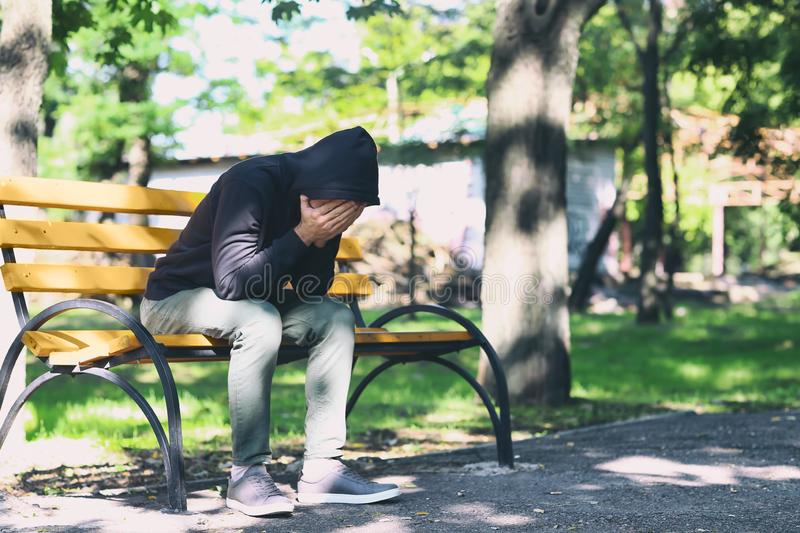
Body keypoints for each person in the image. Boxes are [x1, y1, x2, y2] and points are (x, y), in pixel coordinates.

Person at [139, 126, 400, 517]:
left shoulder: (319, 202)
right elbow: (232, 283)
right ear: (321, 185)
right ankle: (246, 473)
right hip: (175, 300)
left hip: (255, 303)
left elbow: (313, 290)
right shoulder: (251, 182)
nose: (343, 214)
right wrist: (302, 233)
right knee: (258, 319)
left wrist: (322, 237)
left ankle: (322, 471)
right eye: (342, 205)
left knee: (334, 318)